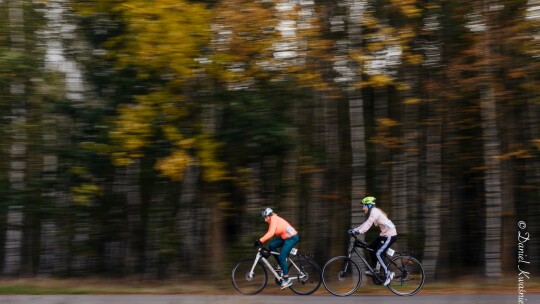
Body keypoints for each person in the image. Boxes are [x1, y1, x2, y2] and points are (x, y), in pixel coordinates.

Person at [350, 196, 397, 286]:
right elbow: (366, 223)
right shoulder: (373, 211)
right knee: (370, 248)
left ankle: (388, 273)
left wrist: (359, 231)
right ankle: (377, 270)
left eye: (364, 206)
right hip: (384, 235)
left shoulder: (374, 212)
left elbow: (369, 223)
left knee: (378, 253)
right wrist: (355, 229)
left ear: (369, 205)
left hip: (390, 235)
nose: (363, 208)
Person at [255, 208, 299, 290]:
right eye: (263, 218)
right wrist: (261, 240)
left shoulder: (274, 219)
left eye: (265, 217)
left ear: (269, 215)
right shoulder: (272, 220)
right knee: (272, 246)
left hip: (292, 238)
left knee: (282, 257)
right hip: (286, 238)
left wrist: (260, 241)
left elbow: (271, 233)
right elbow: (269, 232)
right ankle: (280, 265)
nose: (264, 220)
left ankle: (287, 280)